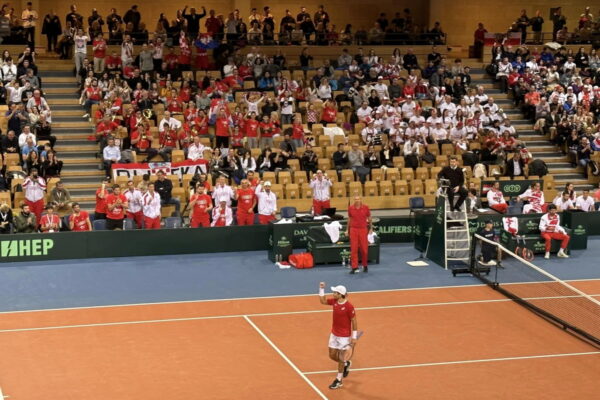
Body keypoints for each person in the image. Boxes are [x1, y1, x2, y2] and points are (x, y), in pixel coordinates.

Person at [318, 282, 358, 390]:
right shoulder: (335, 301)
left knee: (340, 358)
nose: (333, 293)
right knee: (331, 355)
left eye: (335, 292)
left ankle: (338, 380)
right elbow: (322, 301)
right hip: (334, 334)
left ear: (340, 294)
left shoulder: (349, 307)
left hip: (344, 337)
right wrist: (321, 289)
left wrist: (354, 337)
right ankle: (346, 363)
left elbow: (354, 321)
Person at [346, 195, 371, 274]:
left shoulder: (366, 207)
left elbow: (369, 217)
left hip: (363, 230)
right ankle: (354, 267)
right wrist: (347, 229)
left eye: (358, 199)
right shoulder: (350, 208)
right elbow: (349, 219)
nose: (357, 200)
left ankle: (365, 265)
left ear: (361, 200)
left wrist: (371, 228)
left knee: (364, 249)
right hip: (353, 230)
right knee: (354, 249)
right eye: (356, 199)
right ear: (354, 200)